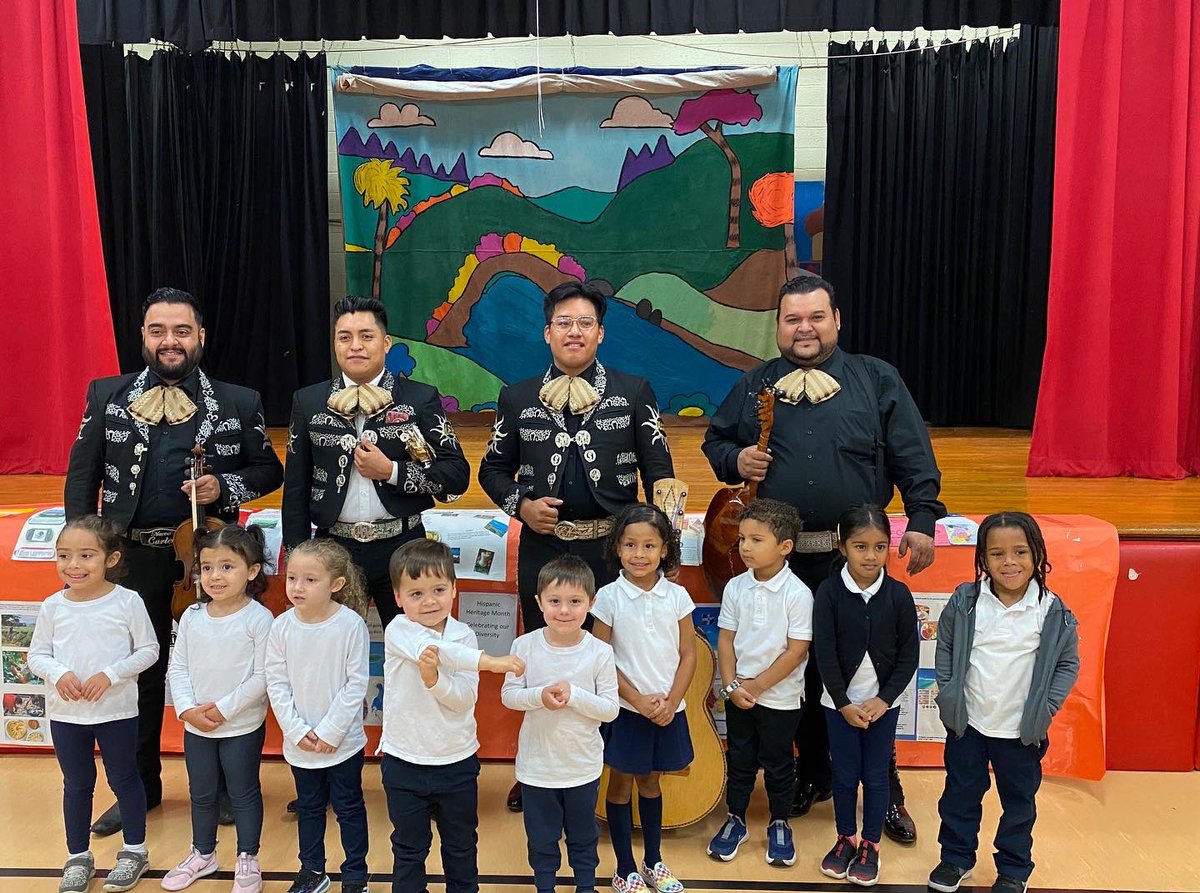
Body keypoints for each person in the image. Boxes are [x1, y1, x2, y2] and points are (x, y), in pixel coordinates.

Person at [702, 274, 945, 842]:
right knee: (804, 681)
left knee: (863, 675)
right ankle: (812, 775)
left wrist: (925, 520)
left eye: (815, 317)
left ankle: (886, 795)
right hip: (778, 567)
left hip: (854, 561)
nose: (803, 328)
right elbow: (715, 442)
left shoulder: (876, 380)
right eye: (792, 319)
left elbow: (913, 453)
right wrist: (736, 458)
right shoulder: (757, 383)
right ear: (779, 326)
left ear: (836, 320)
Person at [64, 286, 284, 836]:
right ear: (143, 336)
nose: (170, 341)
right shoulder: (105, 395)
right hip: (129, 561)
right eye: (159, 330)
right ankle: (139, 789)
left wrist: (223, 485)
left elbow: (269, 471)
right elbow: (81, 476)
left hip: (207, 566)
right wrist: (82, 545)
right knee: (135, 678)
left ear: (200, 336)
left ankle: (230, 789)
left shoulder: (238, 401)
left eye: (182, 331)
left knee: (220, 672)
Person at [478, 280, 673, 811]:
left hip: (615, 559)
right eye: (563, 322)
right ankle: (537, 768)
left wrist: (664, 554)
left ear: (601, 333)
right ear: (546, 333)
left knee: (610, 660)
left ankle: (606, 765)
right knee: (543, 658)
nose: (574, 331)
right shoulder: (516, 396)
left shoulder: (633, 392)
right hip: (544, 554)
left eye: (585, 322)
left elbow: (661, 474)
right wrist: (521, 505)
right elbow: (491, 469)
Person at [283, 295, 469, 631]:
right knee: (331, 653)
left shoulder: (419, 398)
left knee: (416, 652)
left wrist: (392, 472)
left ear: (385, 343)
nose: (355, 346)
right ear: (335, 344)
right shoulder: (308, 401)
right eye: (345, 337)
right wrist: (298, 559)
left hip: (404, 545)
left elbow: (456, 476)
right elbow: (296, 487)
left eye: (366, 336)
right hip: (333, 549)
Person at [927, 513, 1080, 893]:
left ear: (1037, 555)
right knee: (960, 796)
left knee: (1019, 804)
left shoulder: (1052, 610)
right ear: (982, 558)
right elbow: (944, 647)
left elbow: (1067, 663)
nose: (1008, 562)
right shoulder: (966, 601)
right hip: (969, 726)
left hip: (1021, 733)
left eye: (1019, 552)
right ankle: (955, 859)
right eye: (997, 553)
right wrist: (949, 696)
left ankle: (1014, 868)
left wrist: (1045, 710)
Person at [378, 539, 525, 893]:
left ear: (455, 590)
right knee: (410, 848)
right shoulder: (399, 629)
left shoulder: (464, 634)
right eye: (415, 594)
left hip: (456, 761)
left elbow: (462, 700)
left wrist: (434, 682)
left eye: (439, 590)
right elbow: (436, 651)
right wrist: (491, 661)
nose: (428, 601)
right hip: (404, 760)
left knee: (460, 845)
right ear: (398, 597)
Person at [28, 516, 159, 893]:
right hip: (68, 715)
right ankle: (78, 857)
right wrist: (60, 673)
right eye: (64, 556)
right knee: (77, 784)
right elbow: (38, 656)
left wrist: (111, 674)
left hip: (116, 712)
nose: (74, 565)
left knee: (124, 779)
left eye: (86, 555)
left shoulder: (127, 601)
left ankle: (134, 850)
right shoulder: (53, 606)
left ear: (111, 559)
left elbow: (149, 650)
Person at [162, 525, 275, 893]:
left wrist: (224, 710)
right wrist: (186, 710)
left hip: (239, 726)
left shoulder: (259, 619)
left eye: (227, 567)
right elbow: (177, 667)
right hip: (196, 726)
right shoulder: (193, 616)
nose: (215, 576)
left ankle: (248, 858)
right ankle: (203, 853)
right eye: (207, 567)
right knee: (202, 793)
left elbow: (262, 677)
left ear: (252, 571)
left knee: (243, 793)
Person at [591, 504, 696, 893]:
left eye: (649, 545)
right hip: (626, 710)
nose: (639, 554)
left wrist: (670, 701)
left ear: (665, 550)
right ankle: (624, 869)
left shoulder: (678, 596)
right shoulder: (608, 597)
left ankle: (654, 862)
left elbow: (689, 655)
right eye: (630, 544)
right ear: (617, 548)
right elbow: (601, 657)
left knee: (651, 784)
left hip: (667, 711)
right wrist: (636, 699)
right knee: (619, 786)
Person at [814, 505, 919, 886]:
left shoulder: (898, 596)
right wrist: (842, 702)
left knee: (876, 777)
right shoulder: (828, 593)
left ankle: (870, 845)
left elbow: (909, 656)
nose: (870, 556)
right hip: (837, 707)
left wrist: (884, 700)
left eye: (879, 547)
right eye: (860, 546)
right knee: (843, 776)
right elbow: (823, 653)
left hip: (881, 708)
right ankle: (845, 838)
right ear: (843, 547)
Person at [501, 556, 619, 893]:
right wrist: (539, 695)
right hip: (537, 769)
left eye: (575, 602)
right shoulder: (524, 645)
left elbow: (610, 709)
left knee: (583, 837)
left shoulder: (599, 652)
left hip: (582, 767)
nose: (564, 610)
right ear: (539, 603)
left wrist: (575, 695)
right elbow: (509, 695)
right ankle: (545, 887)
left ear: (591, 604)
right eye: (554, 601)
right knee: (541, 838)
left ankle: (585, 887)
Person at [707, 498, 812, 868]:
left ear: (784, 547)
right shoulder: (736, 587)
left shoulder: (798, 594)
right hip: (739, 696)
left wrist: (757, 686)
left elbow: (796, 651)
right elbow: (725, 639)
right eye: (742, 539)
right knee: (740, 758)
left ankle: (779, 822)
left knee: (779, 762)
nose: (745, 547)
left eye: (756, 540)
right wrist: (733, 685)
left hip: (779, 697)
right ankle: (736, 819)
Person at [266, 539, 371, 893]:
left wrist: (330, 732)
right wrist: (298, 731)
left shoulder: (351, 625)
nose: (297, 587)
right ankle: (312, 870)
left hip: (342, 742)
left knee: (349, 807)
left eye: (310, 580)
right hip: (301, 744)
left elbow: (356, 684)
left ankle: (355, 873)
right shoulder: (281, 627)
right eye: (292, 577)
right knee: (309, 808)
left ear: (336, 584)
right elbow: (276, 685)